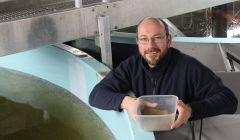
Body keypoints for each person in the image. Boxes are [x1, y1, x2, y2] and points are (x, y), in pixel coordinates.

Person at [89, 17, 238, 129]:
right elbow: (96, 95)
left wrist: (190, 110)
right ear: (137, 42)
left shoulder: (188, 67)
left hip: (180, 133)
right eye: (144, 39)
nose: (150, 45)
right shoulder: (130, 66)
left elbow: (229, 100)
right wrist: (129, 102)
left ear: (168, 40)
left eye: (157, 38)